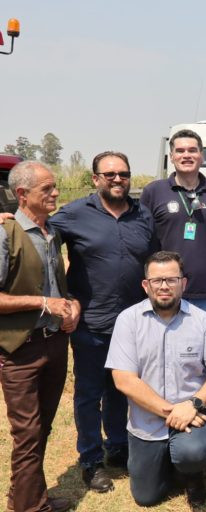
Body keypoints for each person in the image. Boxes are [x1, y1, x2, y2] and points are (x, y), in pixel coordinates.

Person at [47, 151, 155, 493]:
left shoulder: (143, 216)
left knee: (121, 389)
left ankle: (118, 447)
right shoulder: (74, 214)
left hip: (134, 325)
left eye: (123, 173)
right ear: (95, 179)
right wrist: (10, 219)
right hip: (91, 323)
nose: (117, 179)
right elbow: (38, 230)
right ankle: (91, 461)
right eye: (109, 174)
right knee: (89, 394)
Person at [105, 251, 206, 507]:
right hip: (147, 422)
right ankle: (167, 463)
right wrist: (175, 411)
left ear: (183, 283)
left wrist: (194, 404)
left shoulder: (203, 322)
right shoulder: (127, 321)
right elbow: (123, 380)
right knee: (146, 497)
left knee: (192, 453)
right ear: (146, 285)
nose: (164, 286)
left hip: (192, 416)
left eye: (172, 280)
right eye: (157, 280)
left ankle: (192, 475)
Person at [0, 161, 79, 512]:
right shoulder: (6, 232)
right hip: (20, 351)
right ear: (22, 194)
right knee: (27, 434)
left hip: (54, 344)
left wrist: (71, 307)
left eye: (54, 186)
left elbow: (57, 287)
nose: (55, 193)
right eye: (46, 189)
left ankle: (30, 499)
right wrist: (43, 302)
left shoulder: (51, 234)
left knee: (42, 428)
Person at [140, 129, 206, 324]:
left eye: (192, 150)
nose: (186, 155)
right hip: (165, 289)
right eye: (180, 151)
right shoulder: (154, 191)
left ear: (201, 156)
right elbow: (141, 238)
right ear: (172, 157)